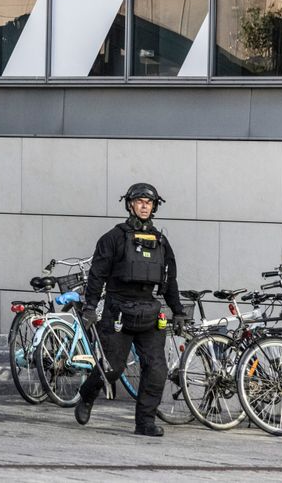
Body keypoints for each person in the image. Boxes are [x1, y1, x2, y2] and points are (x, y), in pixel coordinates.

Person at [73, 182, 187, 437]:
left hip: (149, 311)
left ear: (154, 206)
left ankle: (144, 422)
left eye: (149, 202)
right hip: (118, 312)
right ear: (130, 205)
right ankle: (87, 395)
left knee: (157, 370)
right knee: (112, 369)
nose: (144, 206)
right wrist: (90, 307)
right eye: (140, 201)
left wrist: (177, 311)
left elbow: (170, 280)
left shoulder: (161, 241)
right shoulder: (113, 238)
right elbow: (96, 276)